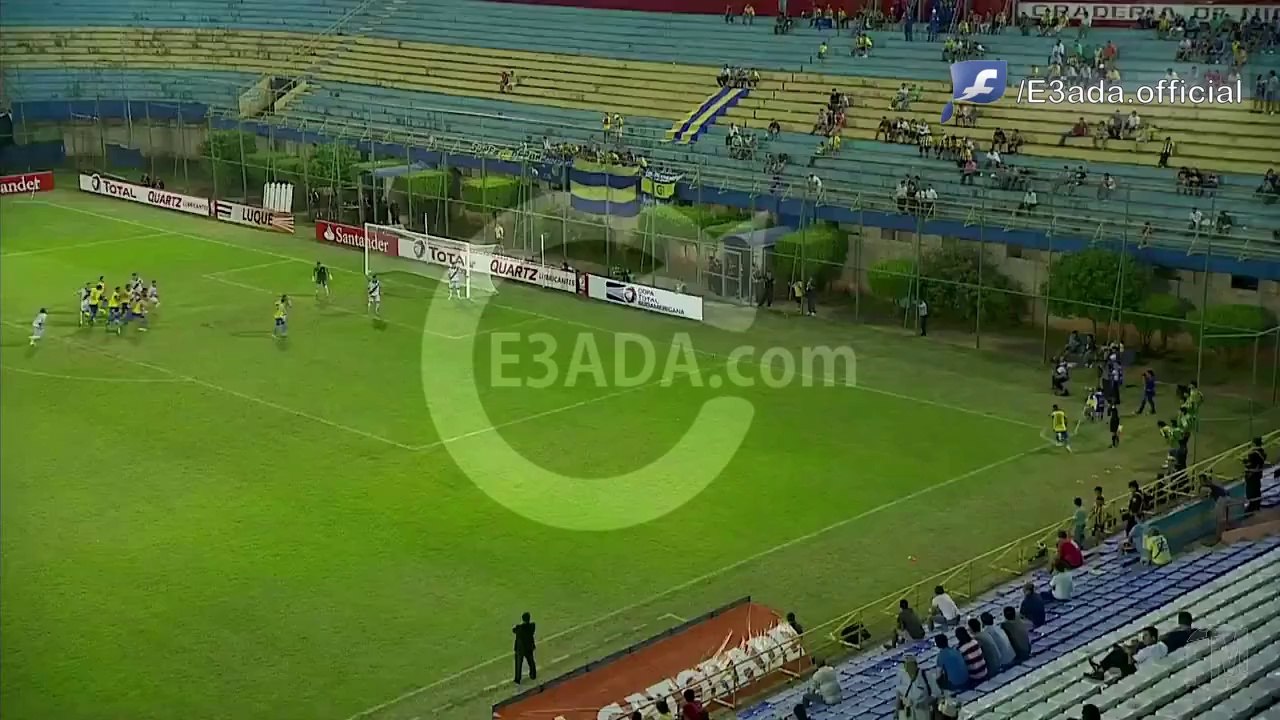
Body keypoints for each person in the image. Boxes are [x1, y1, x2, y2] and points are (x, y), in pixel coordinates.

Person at [896, 655, 939, 720]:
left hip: (923, 711)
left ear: (915, 665)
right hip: (909, 712)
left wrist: (922, 703)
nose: (906, 667)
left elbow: (936, 694)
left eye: (908, 664)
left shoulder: (926, 675)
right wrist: (897, 712)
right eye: (905, 664)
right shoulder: (902, 677)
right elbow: (899, 693)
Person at [1243, 436, 1266, 513]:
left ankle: (1251, 508)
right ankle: (1256, 505)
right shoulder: (1262, 452)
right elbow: (1258, 464)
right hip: (1258, 474)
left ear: (1254, 443)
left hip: (1252, 475)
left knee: (1251, 491)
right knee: (1256, 490)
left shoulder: (1253, 453)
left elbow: (1252, 464)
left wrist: (1245, 463)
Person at [513, 612, 537, 684]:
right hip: (529, 647)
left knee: (518, 664)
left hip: (520, 649)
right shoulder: (532, 626)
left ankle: (517, 679)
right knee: (531, 661)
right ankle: (533, 675)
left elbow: (514, 630)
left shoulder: (519, 628)